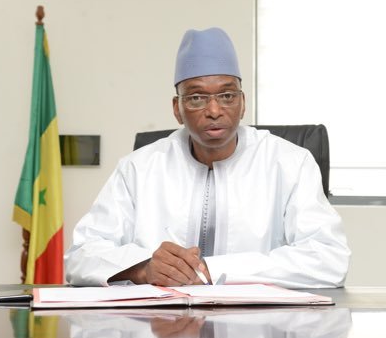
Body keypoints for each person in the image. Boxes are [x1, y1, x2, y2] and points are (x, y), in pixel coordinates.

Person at [65, 27, 350, 288]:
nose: (214, 110)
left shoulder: (290, 163)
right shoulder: (139, 168)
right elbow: (81, 255)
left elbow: (329, 259)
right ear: (177, 109)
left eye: (227, 96)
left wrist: (214, 270)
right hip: (161, 321)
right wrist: (143, 269)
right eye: (197, 98)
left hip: (258, 323)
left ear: (243, 103)